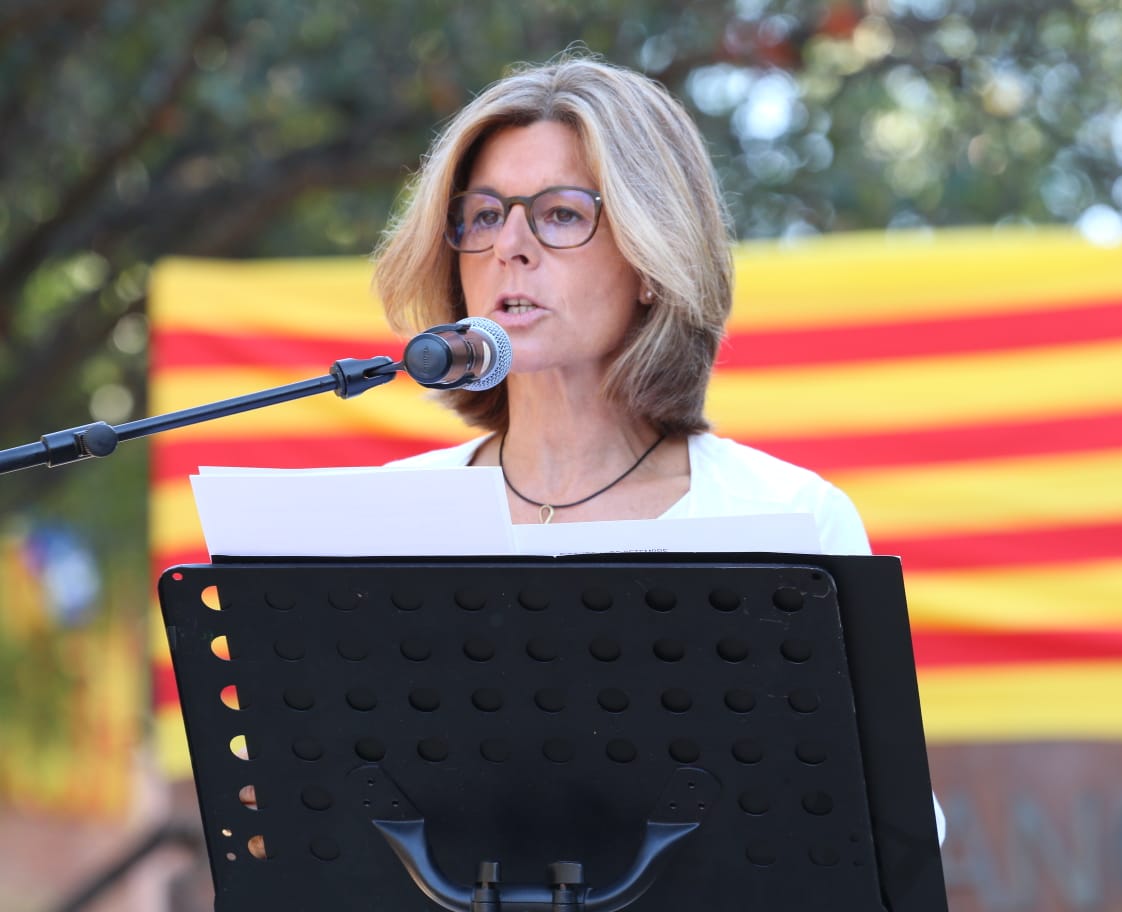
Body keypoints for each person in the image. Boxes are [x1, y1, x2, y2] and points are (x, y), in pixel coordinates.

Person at [371, 51, 944, 844]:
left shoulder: (788, 517)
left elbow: (896, 839)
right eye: (482, 214)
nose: (510, 245)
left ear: (651, 258)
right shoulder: (379, 518)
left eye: (561, 214)